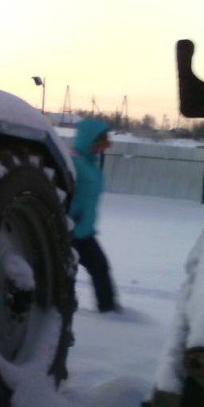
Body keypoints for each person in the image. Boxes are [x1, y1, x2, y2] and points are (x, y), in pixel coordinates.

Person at [68, 118, 119, 312]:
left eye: (102, 144)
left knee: (101, 269)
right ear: (87, 140)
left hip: (85, 231)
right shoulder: (72, 161)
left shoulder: (90, 164)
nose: (100, 148)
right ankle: (58, 312)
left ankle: (109, 311)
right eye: (97, 144)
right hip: (70, 231)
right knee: (65, 275)